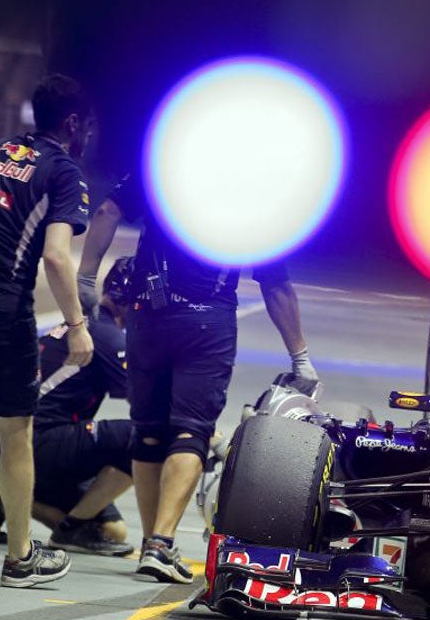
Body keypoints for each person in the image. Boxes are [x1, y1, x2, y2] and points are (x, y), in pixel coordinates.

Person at [77, 179, 319, 583]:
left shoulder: (164, 162)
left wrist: (86, 276)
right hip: (207, 320)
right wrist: (301, 357)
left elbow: (106, 212)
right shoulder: (258, 198)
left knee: (149, 432)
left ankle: (152, 544)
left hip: (147, 316)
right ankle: (160, 542)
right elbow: (275, 283)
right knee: (191, 430)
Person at [0, 74, 94, 587]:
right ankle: (20, 558)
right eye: (90, 126)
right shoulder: (63, 171)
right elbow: (57, 259)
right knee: (16, 433)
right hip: (3, 311)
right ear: (74, 122)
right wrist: (78, 327)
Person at [0, 257, 137, 557]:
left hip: (28, 447)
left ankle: (1, 495)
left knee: (114, 532)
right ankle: (70, 530)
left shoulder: (85, 326)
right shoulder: (106, 335)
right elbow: (145, 406)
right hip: (44, 443)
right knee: (141, 437)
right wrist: (206, 435)